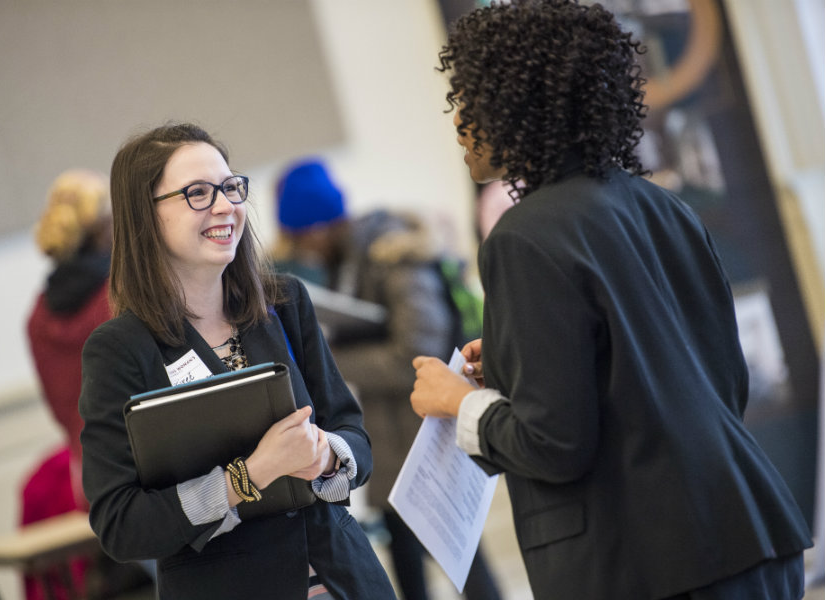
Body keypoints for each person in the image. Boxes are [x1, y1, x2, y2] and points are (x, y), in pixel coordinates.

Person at [409, 2, 813, 600]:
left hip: (650, 564)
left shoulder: (522, 238)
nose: (459, 120)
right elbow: (720, 383)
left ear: (518, 104)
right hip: (751, 533)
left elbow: (555, 446)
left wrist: (459, 403)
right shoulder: (663, 207)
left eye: (470, 98)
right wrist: (521, 378)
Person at [78, 123, 396, 600]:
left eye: (230, 187)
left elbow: (351, 432)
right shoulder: (121, 349)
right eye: (198, 193)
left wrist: (326, 453)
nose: (226, 205)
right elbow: (122, 524)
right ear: (146, 216)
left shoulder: (285, 302)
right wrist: (250, 475)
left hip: (346, 579)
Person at [273, 159, 503, 600]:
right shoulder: (353, 260)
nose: (305, 251)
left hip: (424, 437)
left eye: (303, 238)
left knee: (464, 564)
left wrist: (332, 361)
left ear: (319, 225)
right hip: (392, 439)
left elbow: (416, 354)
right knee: (406, 566)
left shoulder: (393, 255)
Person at [24, 169, 114, 599]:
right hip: (144, 472)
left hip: (86, 480)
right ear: (103, 230)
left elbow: (60, 411)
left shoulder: (37, 317)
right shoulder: (119, 295)